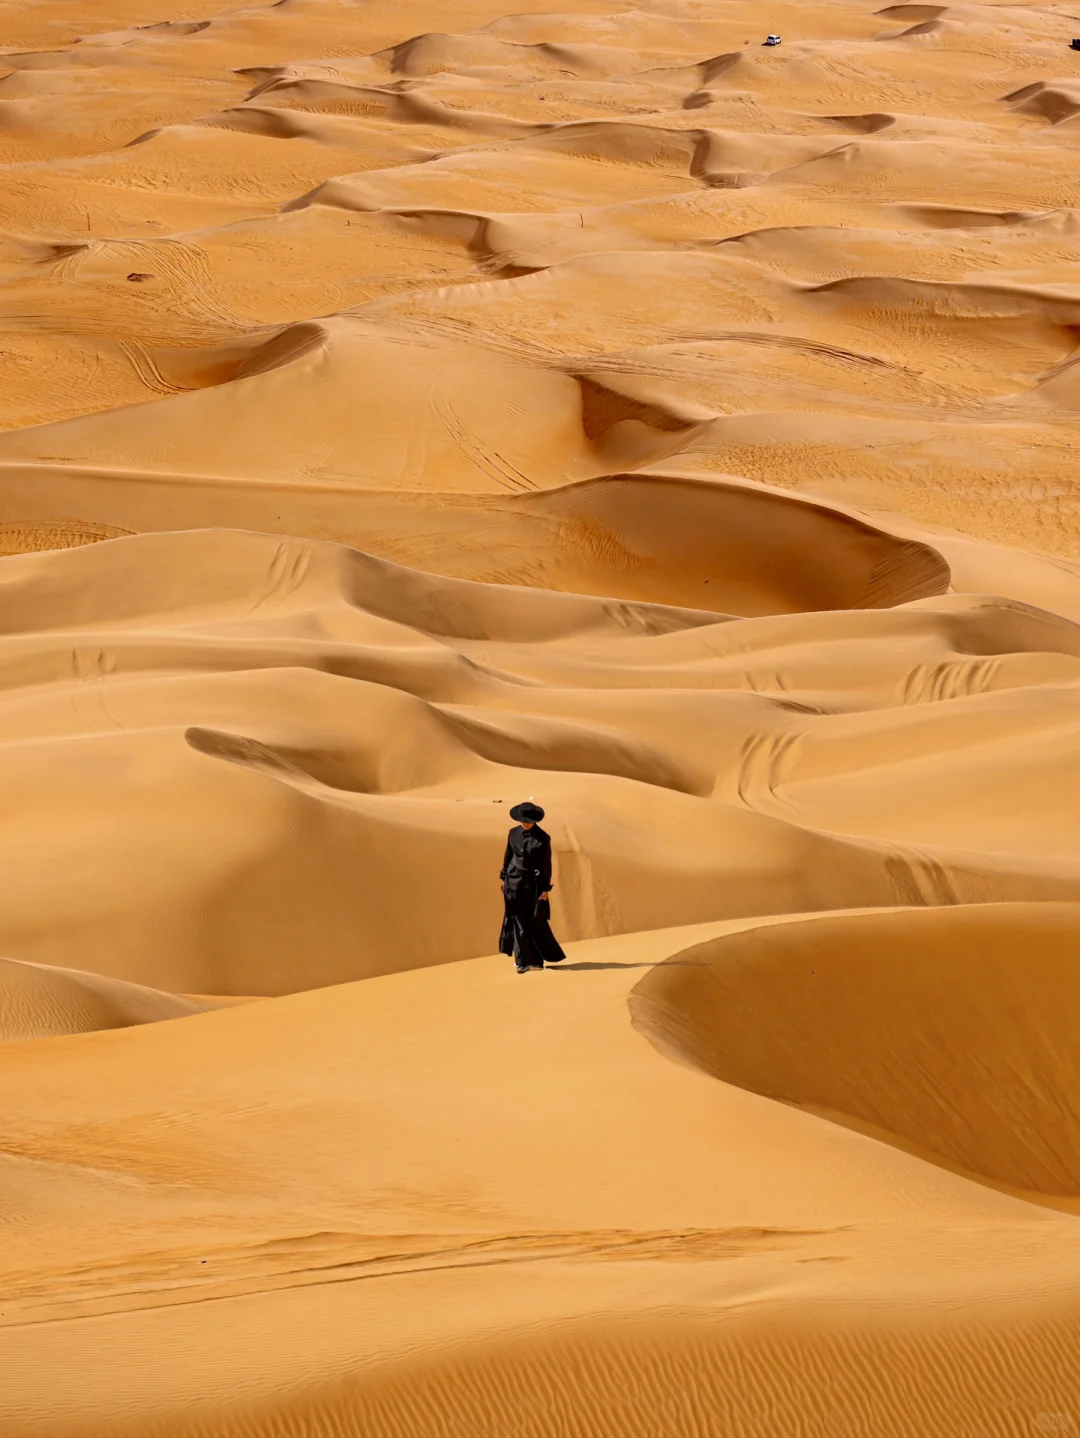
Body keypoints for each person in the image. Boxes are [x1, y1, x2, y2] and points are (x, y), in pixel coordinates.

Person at [498, 802, 566, 973]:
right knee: (517, 920)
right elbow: (508, 855)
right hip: (512, 882)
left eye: (528, 821)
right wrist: (504, 878)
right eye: (522, 820)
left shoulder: (543, 838)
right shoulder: (513, 833)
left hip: (532, 885)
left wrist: (545, 889)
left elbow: (546, 865)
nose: (525, 823)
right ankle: (523, 962)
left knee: (533, 922)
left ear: (535, 820)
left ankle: (535, 961)